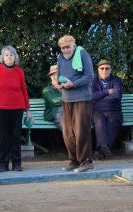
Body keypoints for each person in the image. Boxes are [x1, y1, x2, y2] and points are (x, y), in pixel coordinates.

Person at [55, 35, 94, 172]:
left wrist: (74, 84)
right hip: (66, 98)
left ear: (74, 44)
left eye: (67, 47)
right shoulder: (60, 57)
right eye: (62, 48)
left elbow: (90, 76)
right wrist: (59, 83)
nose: (65, 50)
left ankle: (86, 161)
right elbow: (60, 74)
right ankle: (74, 160)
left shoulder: (82, 53)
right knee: (68, 132)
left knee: (81, 130)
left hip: (82, 98)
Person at [92, 60, 123, 160]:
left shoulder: (116, 80)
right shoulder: (94, 81)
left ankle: (100, 150)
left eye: (107, 68)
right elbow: (92, 96)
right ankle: (104, 149)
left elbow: (117, 96)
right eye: (102, 68)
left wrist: (100, 99)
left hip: (114, 111)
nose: (104, 70)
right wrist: (107, 91)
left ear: (110, 70)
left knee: (112, 123)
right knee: (99, 125)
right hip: (98, 111)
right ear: (98, 70)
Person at [42, 65, 63, 132]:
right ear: (50, 77)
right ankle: (72, 139)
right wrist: (68, 100)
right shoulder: (47, 90)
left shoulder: (66, 88)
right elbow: (54, 102)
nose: (55, 77)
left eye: (57, 74)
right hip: (53, 113)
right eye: (53, 75)